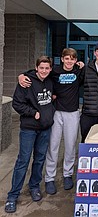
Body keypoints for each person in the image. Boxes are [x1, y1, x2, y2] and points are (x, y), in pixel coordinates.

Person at [19, 48, 85, 195]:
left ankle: (67, 174)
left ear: (75, 60)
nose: (69, 61)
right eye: (66, 58)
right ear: (62, 59)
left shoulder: (79, 71)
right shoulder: (54, 71)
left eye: (72, 59)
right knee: (53, 146)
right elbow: (37, 72)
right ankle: (50, 178)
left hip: (73, 113)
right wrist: (21, 75)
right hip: (56, 113)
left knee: (70, 145)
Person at [5, 56, 55, 213]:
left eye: (47, 68)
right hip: (29, 129)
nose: (44, 71)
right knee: (23, 161)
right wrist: (33, 113)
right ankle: (12, 196)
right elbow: (17, 103)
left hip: (45, 128)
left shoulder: (51, 80)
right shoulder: (26, 81)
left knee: (39, 160)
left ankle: (34, 187)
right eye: (41, 68)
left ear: (50, 69)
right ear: (36, 68)